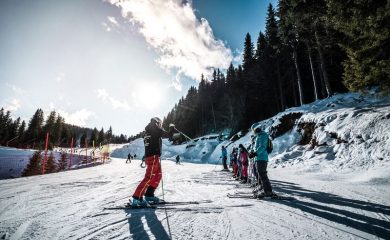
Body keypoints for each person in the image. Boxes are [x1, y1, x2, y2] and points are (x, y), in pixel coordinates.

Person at [131, 117, 174, 207]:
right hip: (153, 157)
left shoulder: (149, 131)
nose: (160, 126)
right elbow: (169, 135)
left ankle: (149, 194)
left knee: (158, 176)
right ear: (157, 123)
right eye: (160, 124)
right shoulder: (154, 128)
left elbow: (150, 144)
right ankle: (136, 197)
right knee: (149, 177)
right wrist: (172, 127)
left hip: (153, 156)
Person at [252, 124, 276, 198]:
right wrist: (252, 152)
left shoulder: (263, 136)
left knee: (262, 174)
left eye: (254, 130)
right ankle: (265, 189)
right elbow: (256, 147)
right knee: (260, 174)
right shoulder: (258, 136)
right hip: (259, 158)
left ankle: (268, 191)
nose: (254, 132)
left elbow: (262, 147)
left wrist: (256, 153)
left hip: (262, 158)